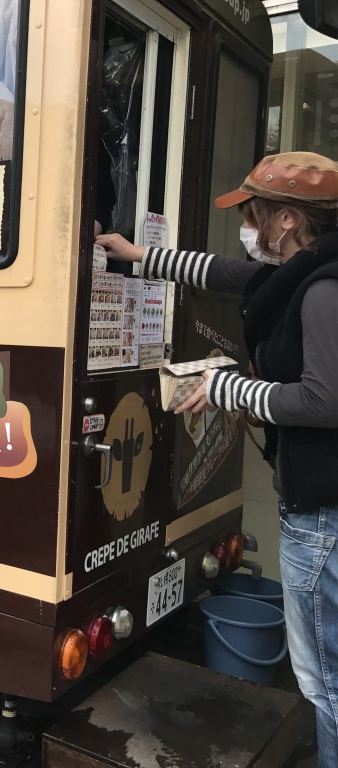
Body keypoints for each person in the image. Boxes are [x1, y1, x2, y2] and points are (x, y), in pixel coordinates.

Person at [96, 151, 338, 763]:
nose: (247, 229)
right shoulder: (299, 270)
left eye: (253, 215)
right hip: (318, 504)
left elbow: (323, 399)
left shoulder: (322, 290)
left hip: (324, 514)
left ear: (286, 219)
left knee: (326, 682)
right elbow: (224, 273)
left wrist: (227, 388)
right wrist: (139, 256)